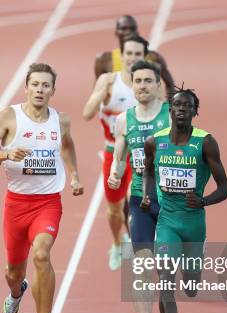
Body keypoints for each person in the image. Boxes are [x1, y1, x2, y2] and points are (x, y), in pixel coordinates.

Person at [0, 63, 83, 313]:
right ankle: (16, 292)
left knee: (41, 255)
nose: (40, 90)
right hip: (16, 204)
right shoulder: (10, 117)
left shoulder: (60, 121)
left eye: (45, 85)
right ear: (26, 87)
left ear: (52, 90)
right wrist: (4, 154)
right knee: (13, 271)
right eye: (35, 84)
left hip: (48, 202)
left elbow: (69, 146)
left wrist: (73, 174)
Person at [142, 87, 227, 313]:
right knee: (164, 279)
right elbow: (149, 171)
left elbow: (225, 188)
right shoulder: (155, 142)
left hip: (194, 224)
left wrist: (203, 200)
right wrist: (148, 195)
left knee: (190, 286)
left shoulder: (206, 143)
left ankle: (194, 272)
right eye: (177, 105)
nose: (181, 109)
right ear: (170, 110)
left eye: (187, 106)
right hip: (167, 222)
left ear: (194, 112)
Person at [107, 60, 170, 313]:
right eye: (138, 81)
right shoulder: (124, 120)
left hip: (174, 200)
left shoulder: (172, 116)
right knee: (143, 265)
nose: (142, 86)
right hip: (140, 199)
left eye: (148, 80)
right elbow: (120, 150)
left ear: (159, 85)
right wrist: (116, 171)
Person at [83, 35, 149, 270]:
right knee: (113, 211)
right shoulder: (108, 81)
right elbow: (87, 113)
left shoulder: (149, 83)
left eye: (137, 54)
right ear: (121, 56)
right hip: (113, 153)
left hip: (139, 154)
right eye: (128, 54)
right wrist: (100, 95)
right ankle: (116, 243)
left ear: (144, 57)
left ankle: (140, 245)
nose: (132, 58)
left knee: (136, 198)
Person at [95, 15, 175, 97]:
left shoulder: (154, 58)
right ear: (116, 32)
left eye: (132, 28)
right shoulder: (104, 60)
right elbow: (97, 91)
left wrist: (170, 108)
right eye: (124, 28)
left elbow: (170, 85)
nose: (128, 31)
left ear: (137, 32)